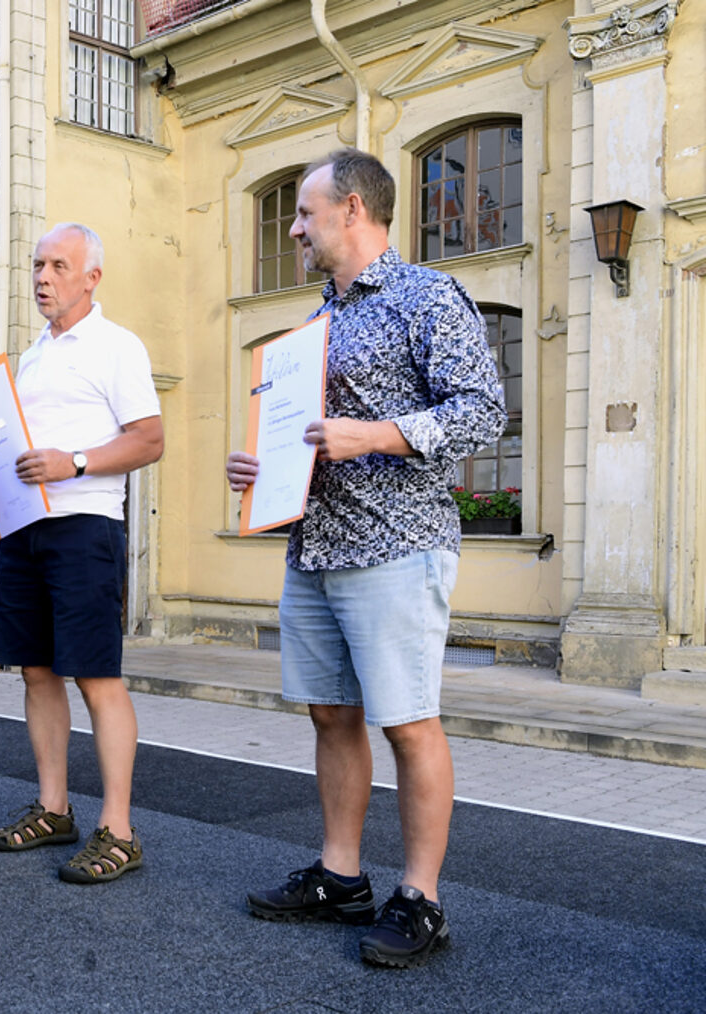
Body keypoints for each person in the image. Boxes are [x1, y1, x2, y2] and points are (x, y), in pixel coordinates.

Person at [226, 148, 505, 969]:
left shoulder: (427, 295)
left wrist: (373, 435)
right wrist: (266, 471)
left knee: (409, 723)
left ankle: (421, 899)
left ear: (353, 209)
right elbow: (304, 438)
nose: (294, 225)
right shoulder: (314, 323)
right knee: (329, 714)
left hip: (398, 546)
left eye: (305, 211)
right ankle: (341, 876)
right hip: (314, 545)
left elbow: (483, 411)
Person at [0, 223, 163, 886]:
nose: (42, 277)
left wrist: (75, 463)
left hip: (85, 526)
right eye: (37, 264)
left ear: (91, 277)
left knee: (96, 677)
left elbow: (149, 439)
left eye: (59, 265)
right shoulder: (30, 357)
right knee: (35, 672)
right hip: (25, 528)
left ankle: (117, 829)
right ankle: (54, 808)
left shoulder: (117, 346)